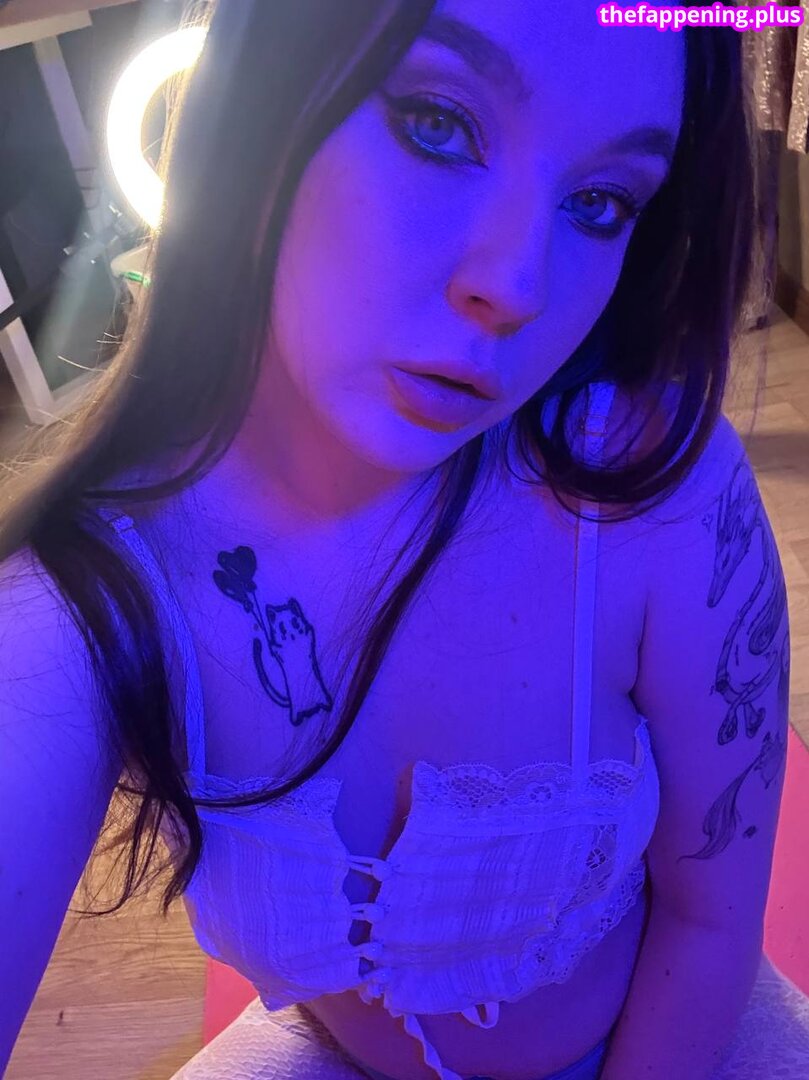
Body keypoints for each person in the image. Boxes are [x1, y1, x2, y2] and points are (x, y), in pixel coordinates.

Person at [1, 1, 806, 1078]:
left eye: (599, 202)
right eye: (436, 122)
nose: (515, 287)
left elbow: (711, 919)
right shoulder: (91, 589)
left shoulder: (654, 489)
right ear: (261, 91)